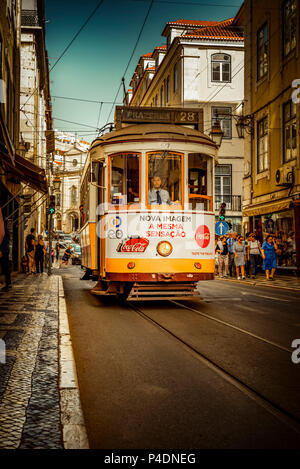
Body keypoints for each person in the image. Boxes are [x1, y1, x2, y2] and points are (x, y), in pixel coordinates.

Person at [0, 208, 12, 291]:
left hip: (3, 250)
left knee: (5, 267)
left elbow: (5, 238)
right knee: (5, 267)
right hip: (5, 250)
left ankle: (7, 283)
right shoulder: (4, 227)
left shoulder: (3, 228)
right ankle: (7, 283)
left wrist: (1, 249)